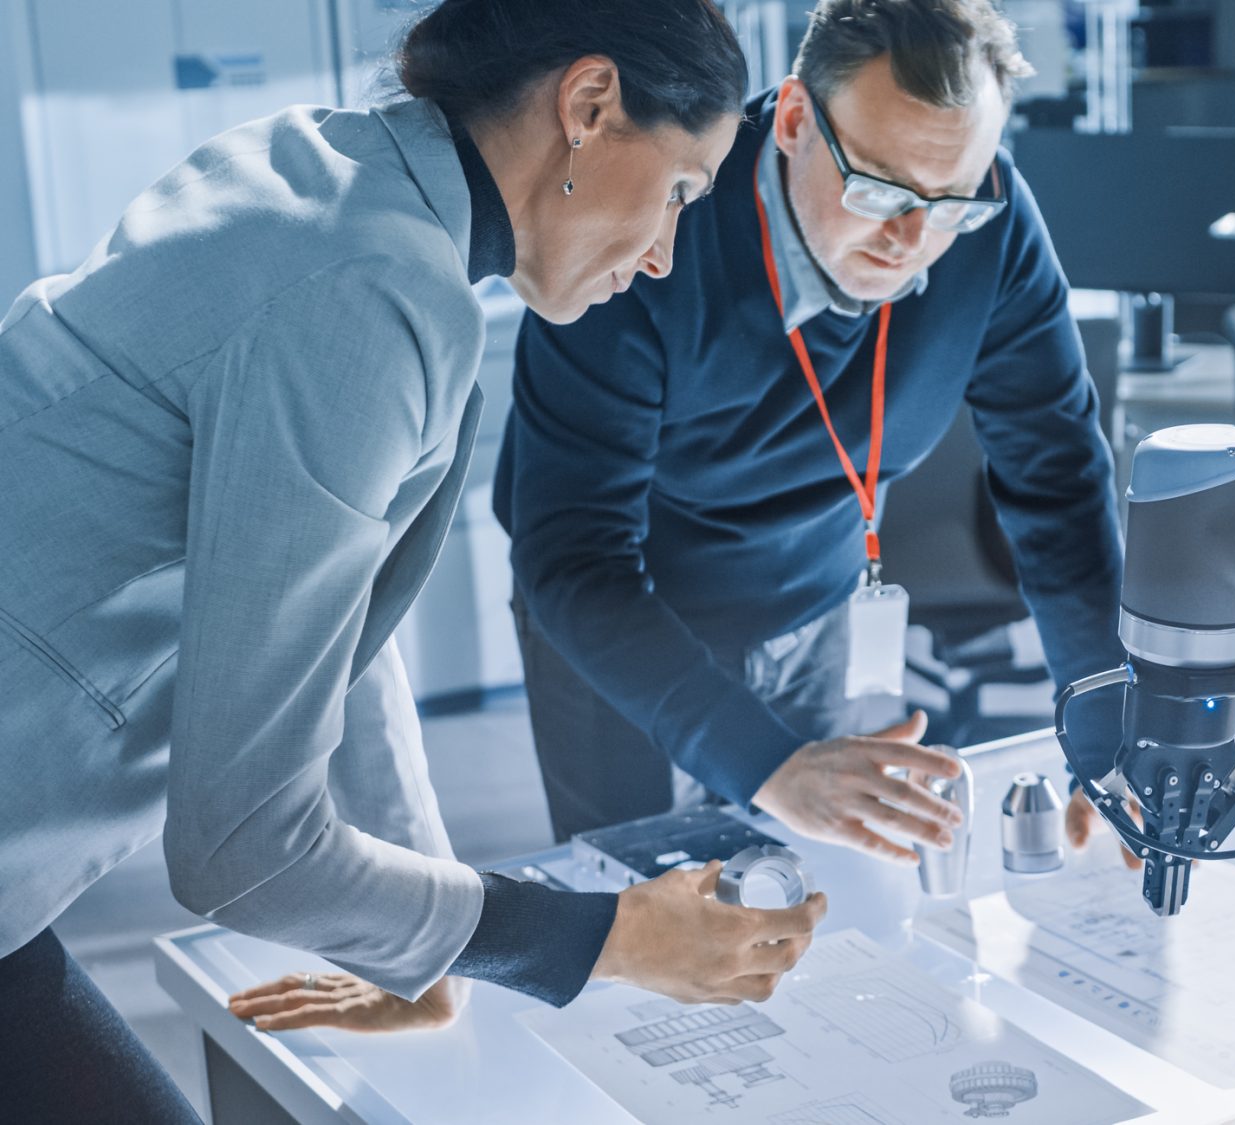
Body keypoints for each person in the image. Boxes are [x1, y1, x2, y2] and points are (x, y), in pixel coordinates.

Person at [0, 3, 825, 1120]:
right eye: (680, 189)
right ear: (586, 107)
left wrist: (426, 953)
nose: (668, 251)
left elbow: (321, 625)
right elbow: (241, 849)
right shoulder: (373, 290)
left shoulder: (328, 177)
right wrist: (597, 939)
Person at [498, 0, 1133, 868]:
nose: (911, 241)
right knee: (641, 911)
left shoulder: (990, 220)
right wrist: (768, 765)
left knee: (827, 900)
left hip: (823, 606)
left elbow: (1057, 481)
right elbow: (572, 555)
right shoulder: (647, 226)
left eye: (950, 202)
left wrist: (1105, 717)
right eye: (878, 188)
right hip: (629, 623)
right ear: (795, 120)